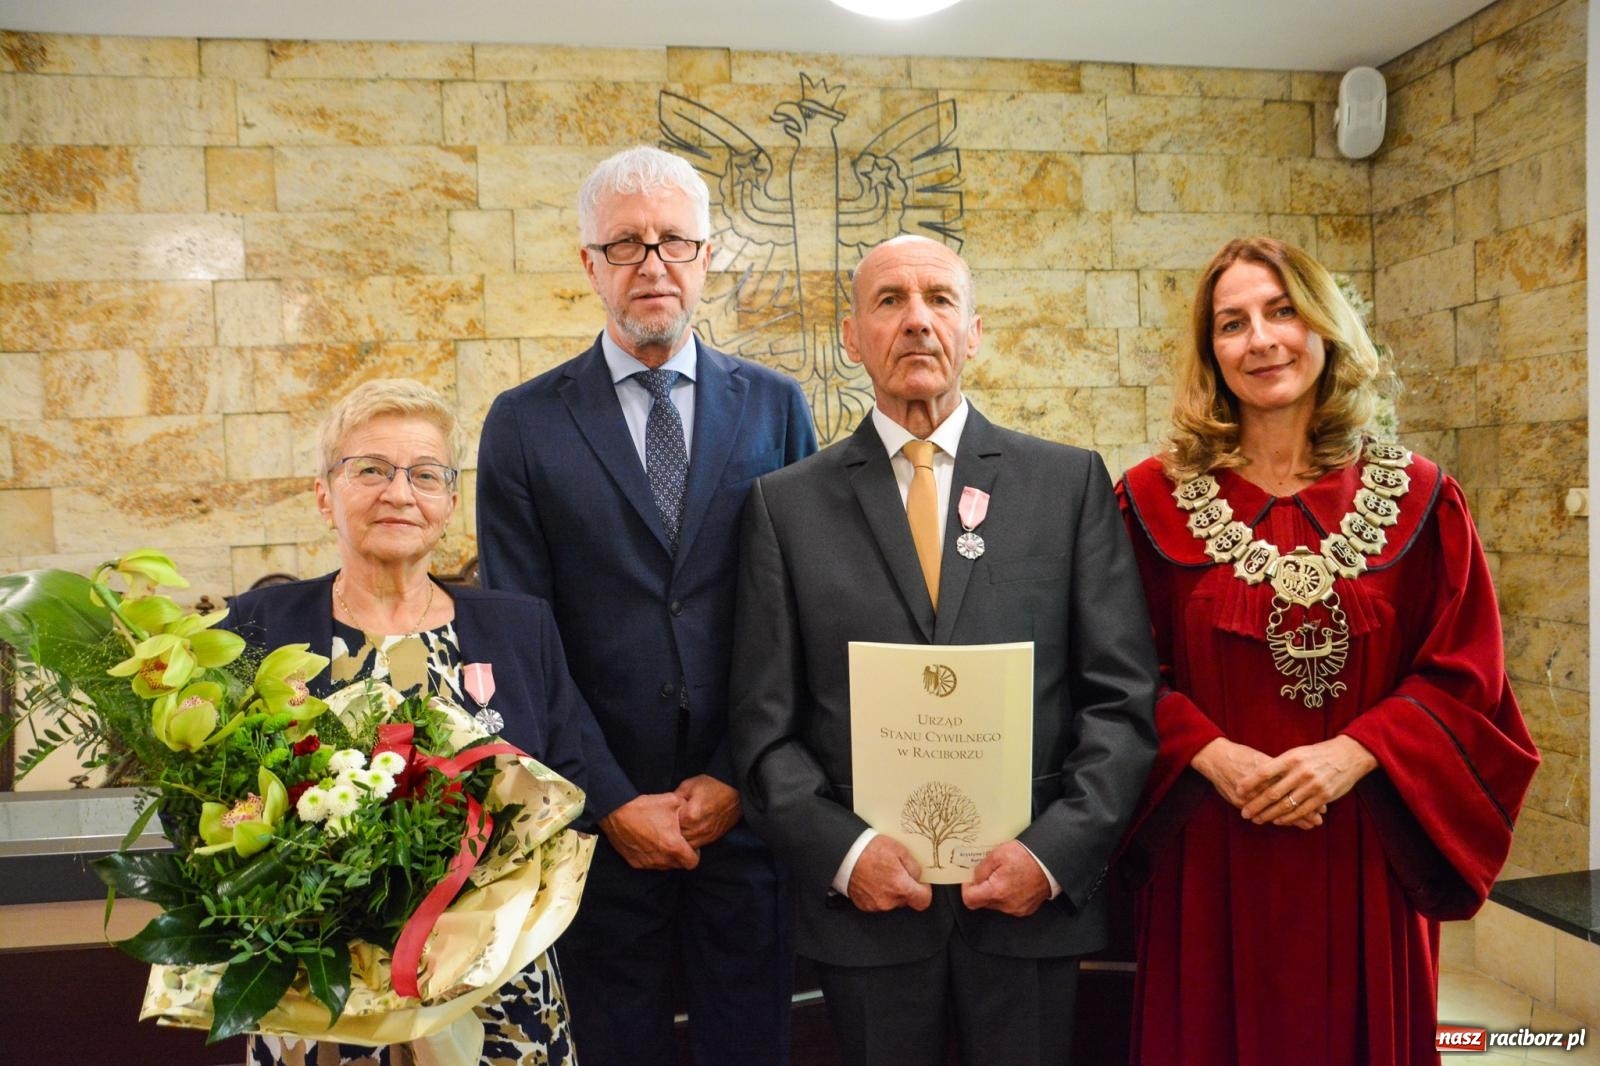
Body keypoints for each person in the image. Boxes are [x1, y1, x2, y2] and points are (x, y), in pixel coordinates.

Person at [728, 234, 1159, 1066]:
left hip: (1029, 906)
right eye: (890, 300)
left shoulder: (1066, 487)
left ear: (974, 331)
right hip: (872, 918)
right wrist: (846, 855)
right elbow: (764, 730)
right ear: (853, 338)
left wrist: (1052, 853)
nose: (917, 321)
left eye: (940, 300)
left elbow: (1121, 703)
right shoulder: (786, 508)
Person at [1116, 235, 1541, 1065]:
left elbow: (1467, 675)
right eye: (1232, 324)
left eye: (1283, 312)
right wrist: (1210, 754)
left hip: (1364, 844)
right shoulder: (1146, 501)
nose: (1262, 340)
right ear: (1210, 352)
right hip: (1209, 845)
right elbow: (1113, 672)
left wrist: (1353, 754)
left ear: (1325, 328)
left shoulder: (1421, 498)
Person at [475, 145, 817, 1066]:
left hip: (743, 817)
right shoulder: (523, 422)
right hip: (594, 829)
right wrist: (614, 800)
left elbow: (801, 616)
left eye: (674, 241)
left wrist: (740, 775)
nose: (653, 263)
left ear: (707, 257)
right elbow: (519, 637)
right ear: (589, 265)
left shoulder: (778, 408)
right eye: (625, 244)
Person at [225, 378, 589, 1066]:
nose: (399, 493)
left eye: (425, 474)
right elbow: (213, 808)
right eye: (370, 469)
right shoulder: (254, 630)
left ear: (450, 502)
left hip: (497, 997)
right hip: (319, 998)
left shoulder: (522, 627)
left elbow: (567, 793)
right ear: (323, 494)